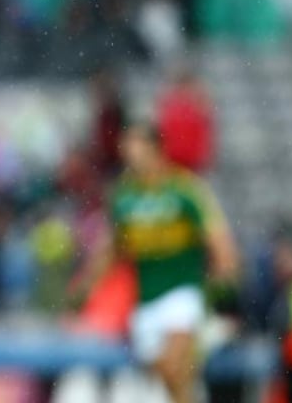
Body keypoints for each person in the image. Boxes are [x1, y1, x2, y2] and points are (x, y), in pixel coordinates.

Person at [76, 123, 240, 403]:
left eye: (135, 146)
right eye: (126, 148)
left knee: (174, 366)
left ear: (156, 149)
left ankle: (206, 326)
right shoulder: (125, 196)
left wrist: (225, 273)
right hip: (147, 299)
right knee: (168, 375)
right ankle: (206, 341)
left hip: (183, 291)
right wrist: (88, 285)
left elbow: (216, 236)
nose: (128, 154)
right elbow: (113, 248)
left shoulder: (184, 189)